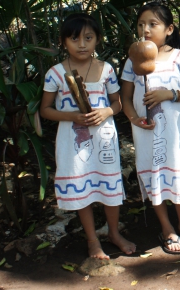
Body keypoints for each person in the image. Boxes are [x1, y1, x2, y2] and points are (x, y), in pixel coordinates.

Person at [39, 13, 136, 259]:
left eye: (88, 38)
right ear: (63, 42)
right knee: (81, 187)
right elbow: (45, 110)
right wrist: (72, 116)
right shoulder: (56, 73)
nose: (82, 44)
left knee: (109, 187)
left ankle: (113, 232)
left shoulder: (106, 69)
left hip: (104, 139)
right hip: (73, 143)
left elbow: (118, 104)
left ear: (97, 40)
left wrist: (106, 111)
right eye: (74, 38)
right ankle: (93, 240)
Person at [121, 2, 180, 257]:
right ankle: (167, 227)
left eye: (153, 24)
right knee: (152, 173)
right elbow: (126, 98)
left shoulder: (179, 57)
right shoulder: (133, 59)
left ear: (169, 29)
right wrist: (134, 118)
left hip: (173, 134)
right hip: (145, 131)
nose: (145, 29)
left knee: (178, 175)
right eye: (141, 24)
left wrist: (168, 94)